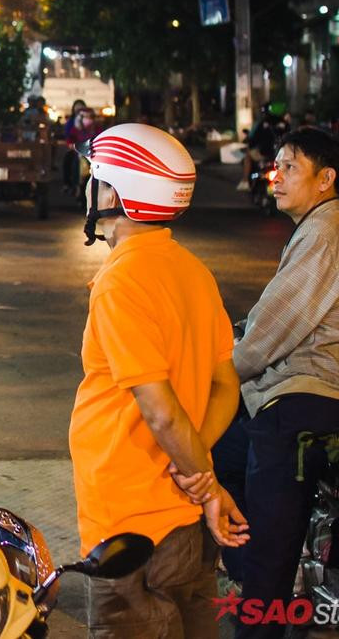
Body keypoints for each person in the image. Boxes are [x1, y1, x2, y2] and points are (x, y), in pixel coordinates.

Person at [69, 124, 248, 639]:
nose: (88, 188)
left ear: (113, 193)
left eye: (94, 178)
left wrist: (206, 483)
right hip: (184, 514)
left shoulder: (122, 282)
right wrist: (198, 469)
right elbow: (225, 387)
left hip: (130, 518)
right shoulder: (193, 270)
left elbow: (161, 411)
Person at [214, 127, 339, 639]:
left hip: (304, 403)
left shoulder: (325, 233)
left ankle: (260, 606)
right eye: (277, 165)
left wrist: (220, 368)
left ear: (325, 178)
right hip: (309, 398)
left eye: (290, 166)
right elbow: (265, 319)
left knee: (269, 552)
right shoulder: (315, 231)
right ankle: (250, 575)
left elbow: (271, 330)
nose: (276, 175)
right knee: (221, 456)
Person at [237, 106, 279, 192]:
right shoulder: (281, 122)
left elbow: (254, 139)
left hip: (263, 153)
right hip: (277, 154)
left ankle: (245, 181)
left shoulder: (261, 124)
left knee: (247, 156)